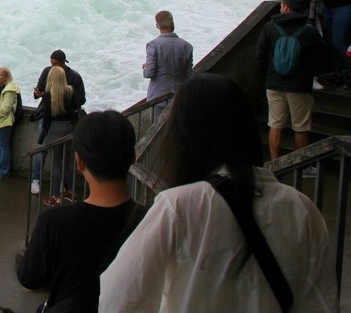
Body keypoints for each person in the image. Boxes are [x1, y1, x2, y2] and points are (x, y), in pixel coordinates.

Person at [100, 74, 338, 312]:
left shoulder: (178, 207)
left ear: (183, 137)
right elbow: (321, 302)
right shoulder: (302, 208)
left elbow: (115, 301)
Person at [18, 110, 144, 312]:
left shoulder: (53, 222)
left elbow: (29, 281)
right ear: (133, 157)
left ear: (79, 162)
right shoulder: (150, 220)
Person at [256, 0, 327, 160]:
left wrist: (268, 74)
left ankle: (274, 162)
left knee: (275, 125)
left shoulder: (270, 27)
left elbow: (260, 55)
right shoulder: (309, 30)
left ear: (286, 7)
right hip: (300, 85)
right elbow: (322, 55)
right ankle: (300, 164)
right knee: (300, 127)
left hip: (274, 83)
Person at [30, 50, 86, 195]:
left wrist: (55, 100)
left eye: (55, 63)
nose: (52, 66)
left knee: (57, 159)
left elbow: (81, 100)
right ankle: (38, 180)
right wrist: (38, 94)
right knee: (56, 156)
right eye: (51, 63)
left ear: (63, 63)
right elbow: (39, 91)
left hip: (55, 123)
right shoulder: (50, 75)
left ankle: (57, 193)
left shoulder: (74, 77)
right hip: (62, 122)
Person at [39, 66, 79, 206]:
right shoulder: (70, 91)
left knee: (56, 163)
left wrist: (45, 132)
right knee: (68, 162)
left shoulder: (49, 95)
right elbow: (76, 107)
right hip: (69, 129)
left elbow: (46, 116)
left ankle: (56, 197)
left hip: (54, 129)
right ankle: (72, 192)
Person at [143, 11, 194, 113]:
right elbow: (189, 75)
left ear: (157, 26)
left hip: (158, 98)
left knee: (157, 127)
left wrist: (145, 67)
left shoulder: (153, 45)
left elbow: (149, 73)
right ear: (172, 23)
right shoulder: (187, 46)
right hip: (179, 96)